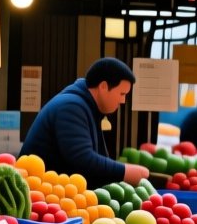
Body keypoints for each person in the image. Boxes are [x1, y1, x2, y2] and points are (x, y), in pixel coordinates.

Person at [20, 58, 149, 186]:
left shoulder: (86, 106)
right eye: (122, 94)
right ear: (103, 86)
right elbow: (82, 158)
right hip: (40, 194)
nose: (123, 101)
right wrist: (125, 171)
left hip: (55, 193)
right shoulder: (71, 106)